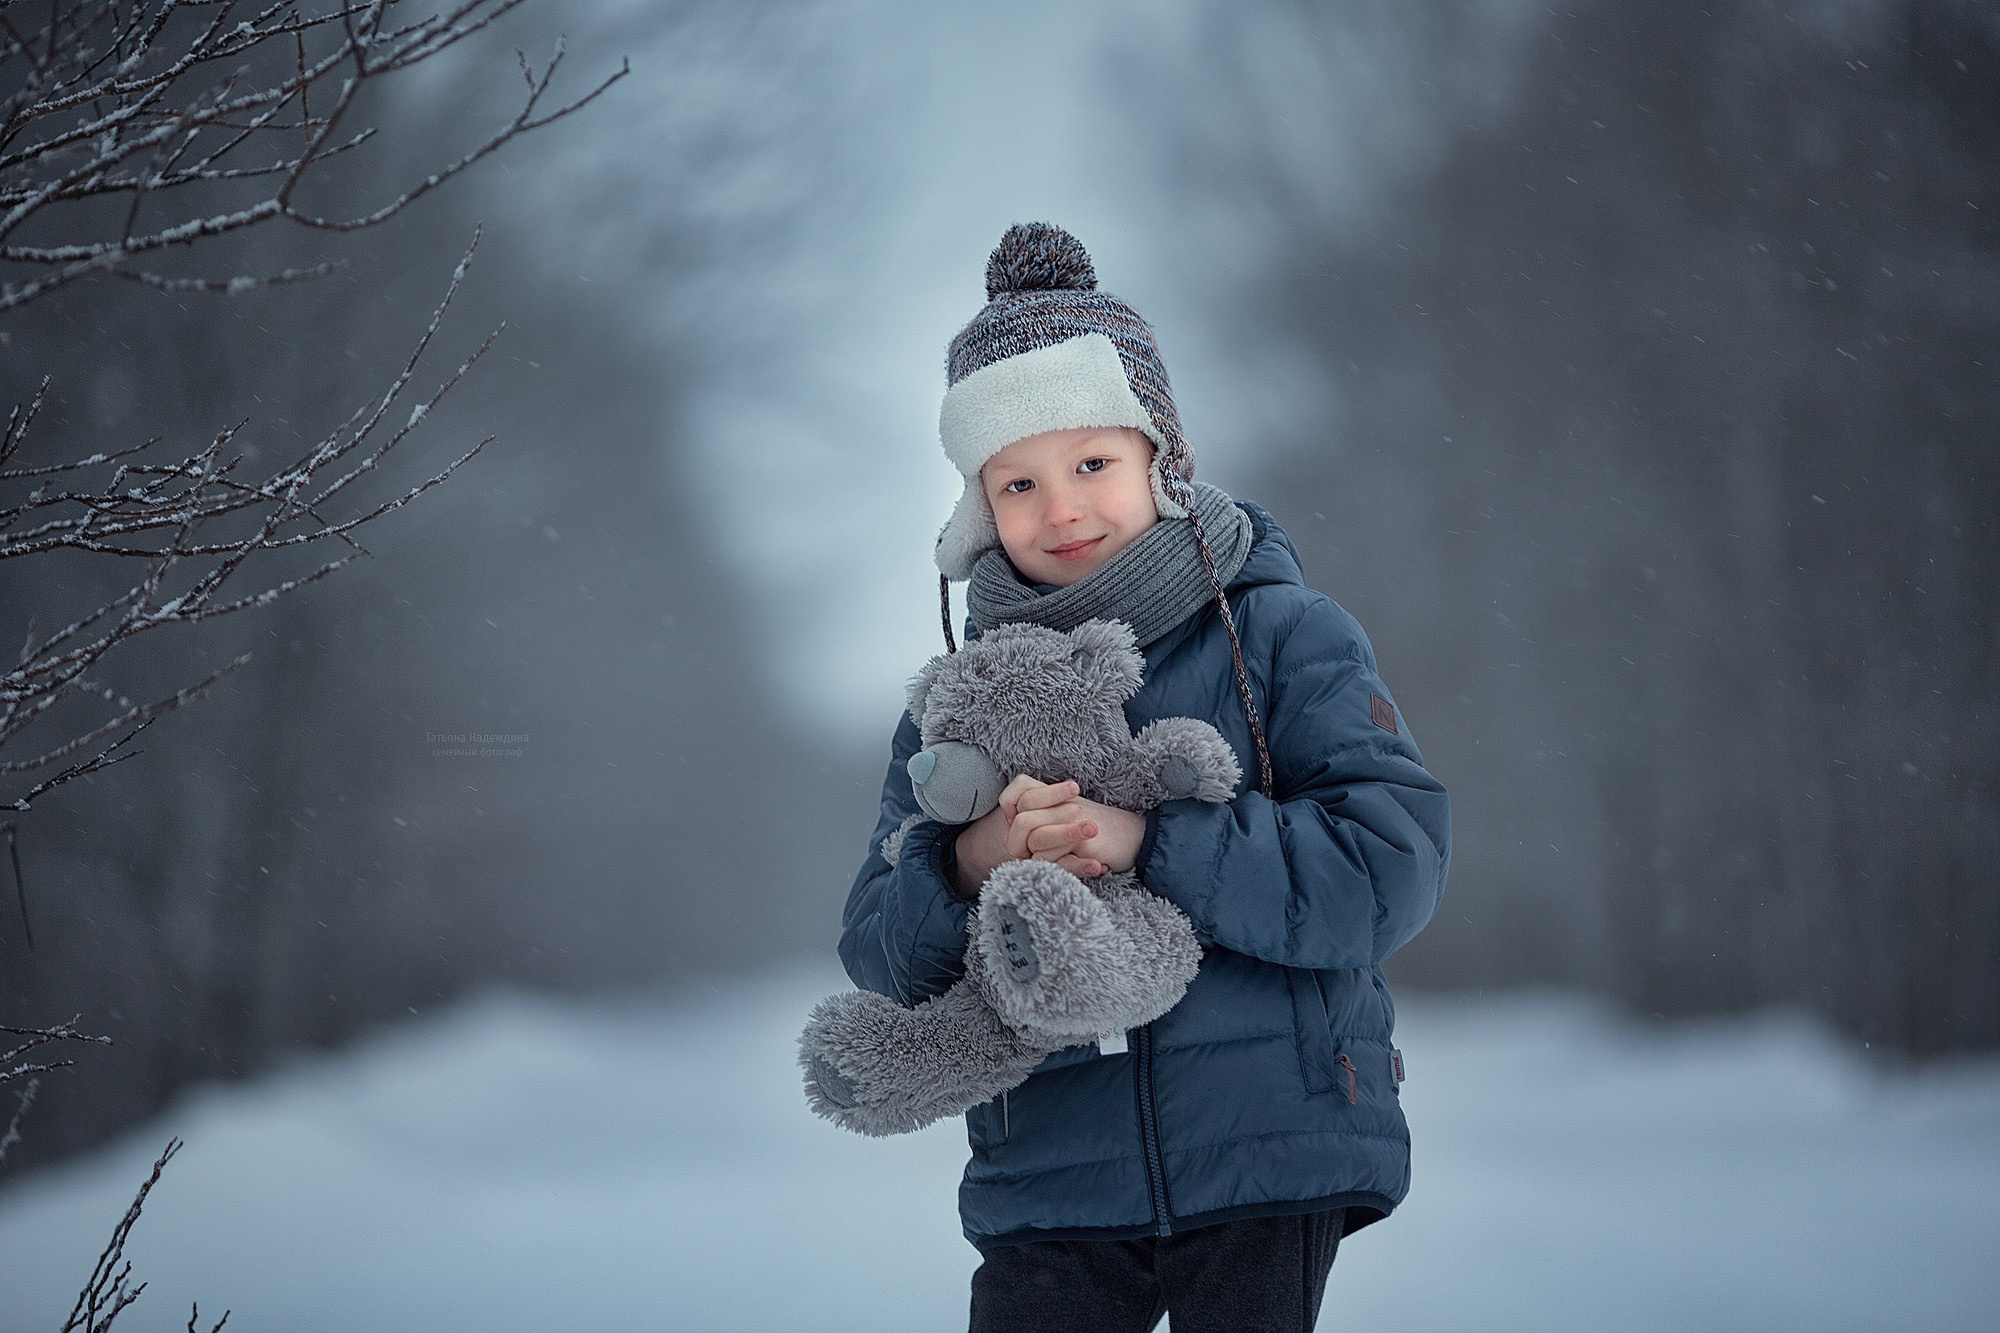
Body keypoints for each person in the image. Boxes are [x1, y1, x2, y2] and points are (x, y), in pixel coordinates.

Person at [837, 222, 1452, 1333]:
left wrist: (1151, 838)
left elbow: (1385, 868)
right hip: (1048, 1173)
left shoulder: (1279, 635)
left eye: (1089, 464)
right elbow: (876, 945)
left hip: (1268, 1145)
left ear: (1158, 456)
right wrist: (971, 860)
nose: (1060, 507)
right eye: (1016, 482)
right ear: (978, 508)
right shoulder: (961, 699)